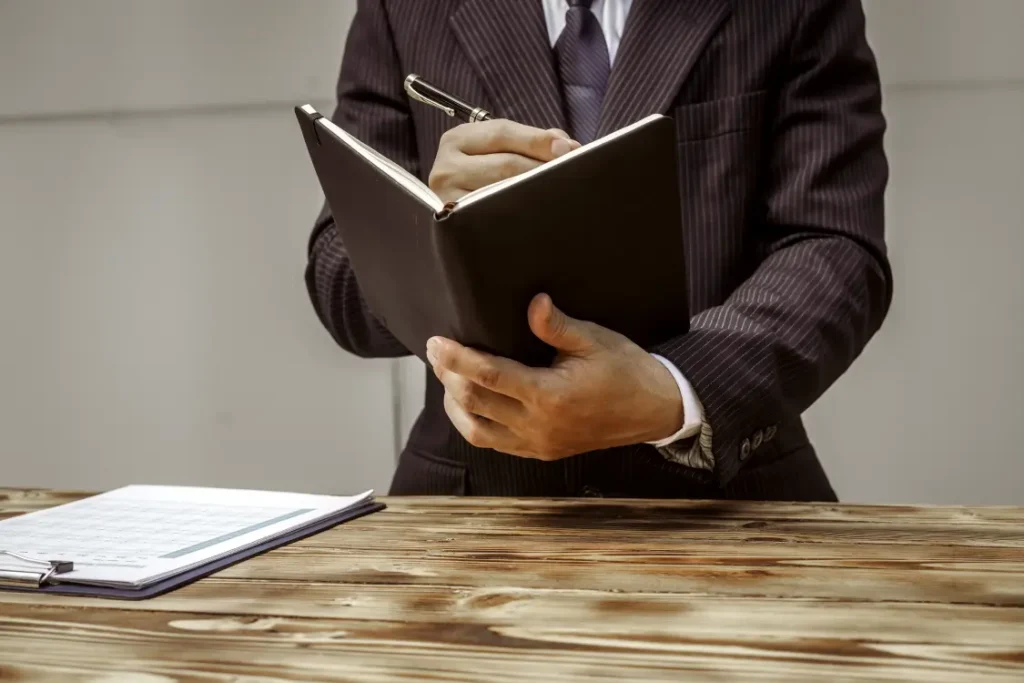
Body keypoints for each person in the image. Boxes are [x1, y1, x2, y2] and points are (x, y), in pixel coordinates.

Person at [304, 0, 892, 500]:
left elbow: (833, 243)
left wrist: (674, 391)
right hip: (473, 501)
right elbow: (339, 277)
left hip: (733, 500)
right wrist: (430, 231)